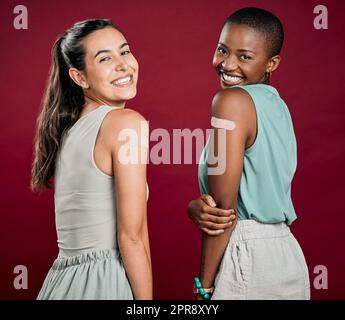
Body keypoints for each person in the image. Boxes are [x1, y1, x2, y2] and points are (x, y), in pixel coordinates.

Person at [188, 7, 310, 300]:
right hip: (286, 254)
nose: (228, 64)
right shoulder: (278, 107)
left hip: (247, 257)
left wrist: (203, 286)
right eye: (222, 50)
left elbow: (222, 211)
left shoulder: (230, 101)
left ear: (272, 63)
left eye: (244, 56)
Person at [31, 19, 152, 300]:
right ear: (80, 77)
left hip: (61, 283)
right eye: (105, 58)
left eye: (125, 51)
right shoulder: (125, 123)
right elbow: (132, 237)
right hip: (104, 282)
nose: (123, 65)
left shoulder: (71, 131)